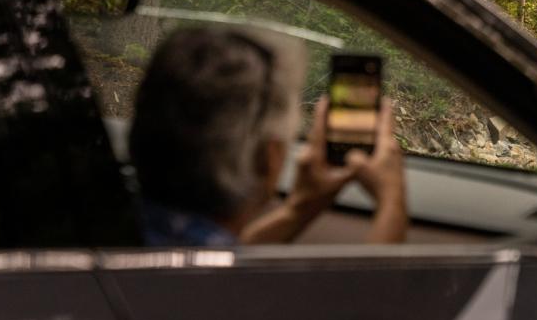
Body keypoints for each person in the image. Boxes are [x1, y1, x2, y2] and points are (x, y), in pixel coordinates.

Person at [128, 26, 407, 246]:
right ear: (268, 160)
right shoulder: (236, 302)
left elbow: (221, 257)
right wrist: (392, 202)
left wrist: (299, 209)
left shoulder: (110, 227)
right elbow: (374, 314)